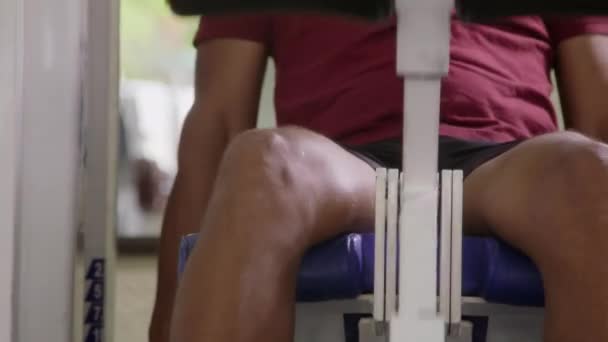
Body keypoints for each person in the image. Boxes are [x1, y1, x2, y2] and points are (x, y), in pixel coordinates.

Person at [149, 13, 608, 342]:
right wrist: (169, 319)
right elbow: (219, 120)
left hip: (502, 163)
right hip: (343, 165)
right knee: (261, 163)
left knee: (592, 174)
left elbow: (598, 117)